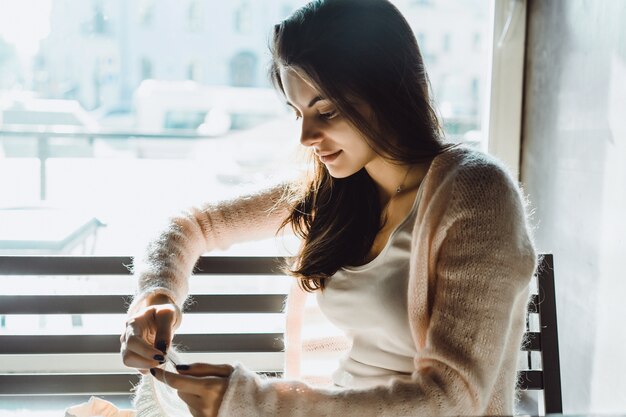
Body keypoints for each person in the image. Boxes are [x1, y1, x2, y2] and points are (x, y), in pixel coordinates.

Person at [120, 0, 537, 416]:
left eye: (326, 110)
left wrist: (255, 404)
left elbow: (454, 397)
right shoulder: (336, 192)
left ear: (388, 91)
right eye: (297, 112)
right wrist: (157, 294)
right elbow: (191, 224)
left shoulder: (478, 193)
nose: (305, 135)